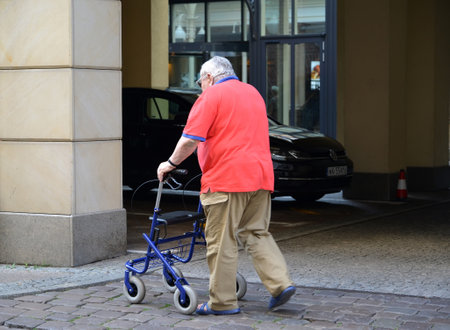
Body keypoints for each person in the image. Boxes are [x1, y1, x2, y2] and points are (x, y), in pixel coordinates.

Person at [157, 56, 295, 315]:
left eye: (200, 82)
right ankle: (280, 284)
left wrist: (170, 164)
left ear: (209, 77)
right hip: (261, 177)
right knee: (256, 233)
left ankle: (222, 302)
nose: (200, 87)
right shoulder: (252, 93)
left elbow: (190, 140)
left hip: (226, 179)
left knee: (222, 242)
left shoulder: (211, 96)